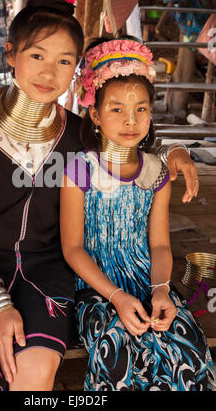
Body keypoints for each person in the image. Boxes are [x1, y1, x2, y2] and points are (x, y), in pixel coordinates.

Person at [0, 0, 198, 392]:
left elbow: (131, 135)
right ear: (11, 55)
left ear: (76, 70)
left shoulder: (80, 136)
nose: (50, 72)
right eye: (37, 56)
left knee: (33, 381)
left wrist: (178, 152)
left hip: (44, 274)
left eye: (65, 60)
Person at [60, 37, 216, 391]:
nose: (130, 120)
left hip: (148, 279)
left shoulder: (156, 174)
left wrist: (161, 290)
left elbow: (160, 245)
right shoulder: (79, 170)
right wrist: (115, 296)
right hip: (96, 287)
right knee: (120, 357)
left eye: (141, 109)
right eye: (116, 109)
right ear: (96, 115)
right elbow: (72, 249)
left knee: (186, 351)